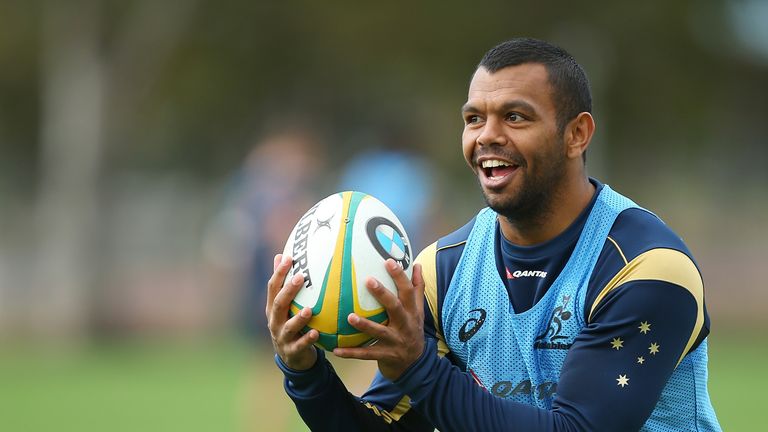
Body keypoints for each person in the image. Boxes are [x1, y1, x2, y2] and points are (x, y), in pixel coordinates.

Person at [266, 38, 722, 431]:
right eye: (474, 119)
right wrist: (305, 373)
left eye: (516, 117)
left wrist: (420, 370)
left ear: (577, 134)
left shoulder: (645, 268)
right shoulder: (441, 274)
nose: (487, 136)